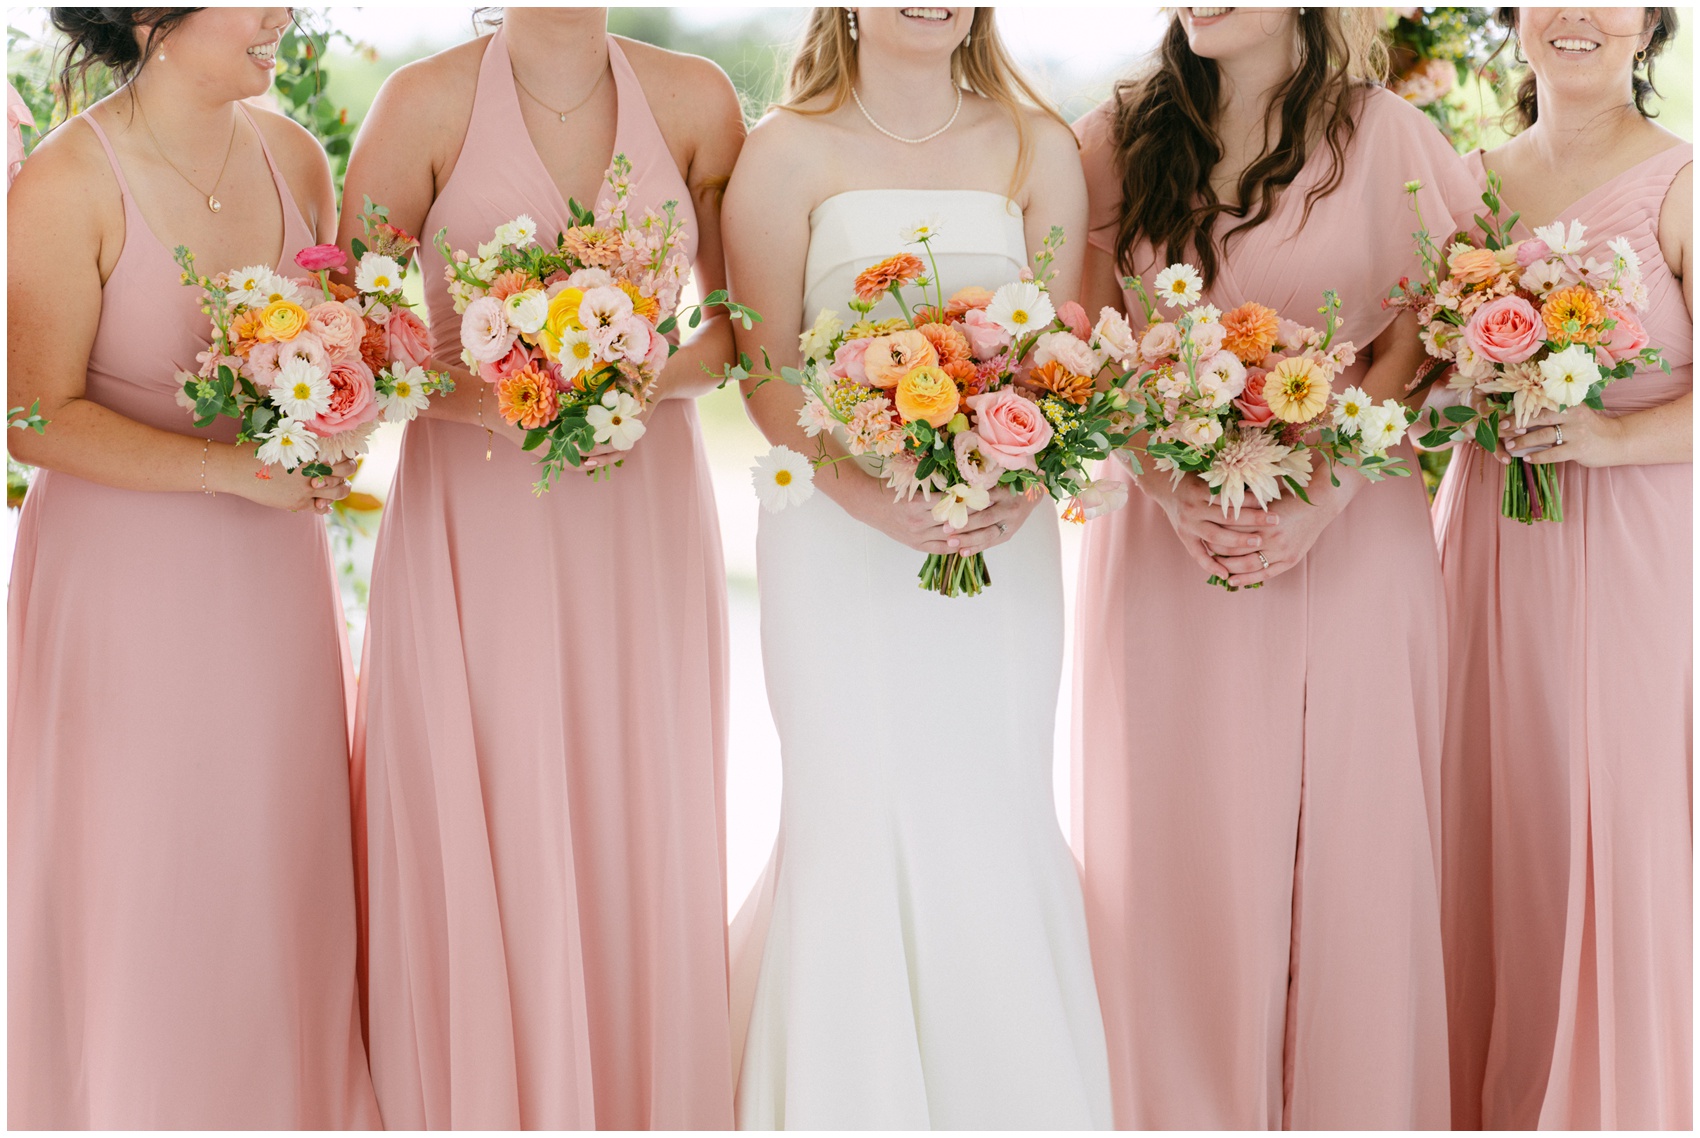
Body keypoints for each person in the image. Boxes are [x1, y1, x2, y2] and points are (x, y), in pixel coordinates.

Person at [338, 6, 744, 1128]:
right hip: (478, 506)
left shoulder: (695, 96)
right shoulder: (419, 101)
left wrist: (629, 384)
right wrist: (500, 399)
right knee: (495, 776)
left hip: (639, 505)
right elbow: (360, 330)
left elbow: (737, 323)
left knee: (633, 790)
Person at [1072, 6, 1477, 1127]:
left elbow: (1432, 327)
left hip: (1351, 533)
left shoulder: (1388, 132)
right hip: (1173, 543)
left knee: (1353, 842)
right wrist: (1166, 485)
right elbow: (1074, 332)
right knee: (1181, 850)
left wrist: (1328, 487)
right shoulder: (1113, 134)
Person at [722, 7, 1112, 1128]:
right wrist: (873, 500)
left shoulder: (1034, 144)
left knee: (988, 799)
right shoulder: (783, 148)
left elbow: (1062, 356)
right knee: (853, 806)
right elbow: (765, 373)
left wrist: (1020, 481)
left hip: (1002, 538)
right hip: (836, 535)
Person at [8, 7, 374, 1127]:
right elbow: (33, 418)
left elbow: (343, 340)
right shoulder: (65, 180)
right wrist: (228, 477)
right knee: (148, 865)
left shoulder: (295, 154)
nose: (284, 15)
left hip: (274, 580)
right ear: (150, 14)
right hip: (125, 584)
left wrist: (348, 418)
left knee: (273, 861)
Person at [1435, 6, 1691, 1129]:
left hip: (1638, 542)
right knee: (1503, 800)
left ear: (1647, 25)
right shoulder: (1461, 182)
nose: (1573, 14)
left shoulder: (1680, 184)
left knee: (1616, 812)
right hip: (1492, 533)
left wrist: (1608, 438)